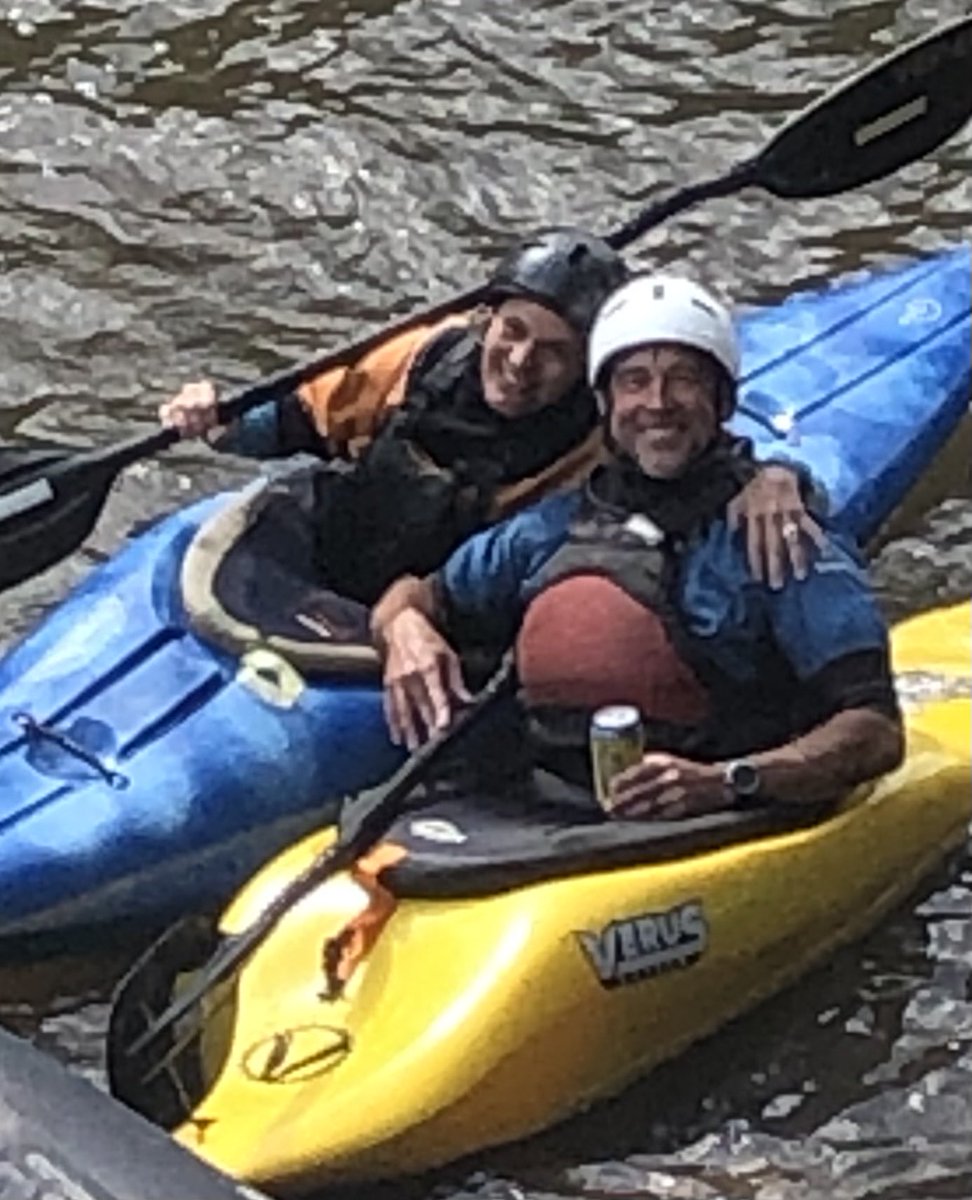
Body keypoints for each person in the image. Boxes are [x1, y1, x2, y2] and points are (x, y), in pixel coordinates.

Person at [371, 273, 904, 819]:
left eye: (684, 379)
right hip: (547, 811)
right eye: (634, 381)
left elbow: (876, 730)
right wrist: (403, 628)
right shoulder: (548, 528)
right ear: (605, 402)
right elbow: (414, 596)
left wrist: (730, 781)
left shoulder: (777, 536)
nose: (657, 402)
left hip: (713, 813)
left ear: (721, 400)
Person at [159, 230, 820, 604]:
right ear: (485, 319)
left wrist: (776, 476)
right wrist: (219, 420)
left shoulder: (607, 437)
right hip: (327, 573)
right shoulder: (422, 356)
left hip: (439, 611)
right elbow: (292, 420)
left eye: (554, 351)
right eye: (512, 332)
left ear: (588, 366)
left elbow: (703, 462)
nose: (521, 362)